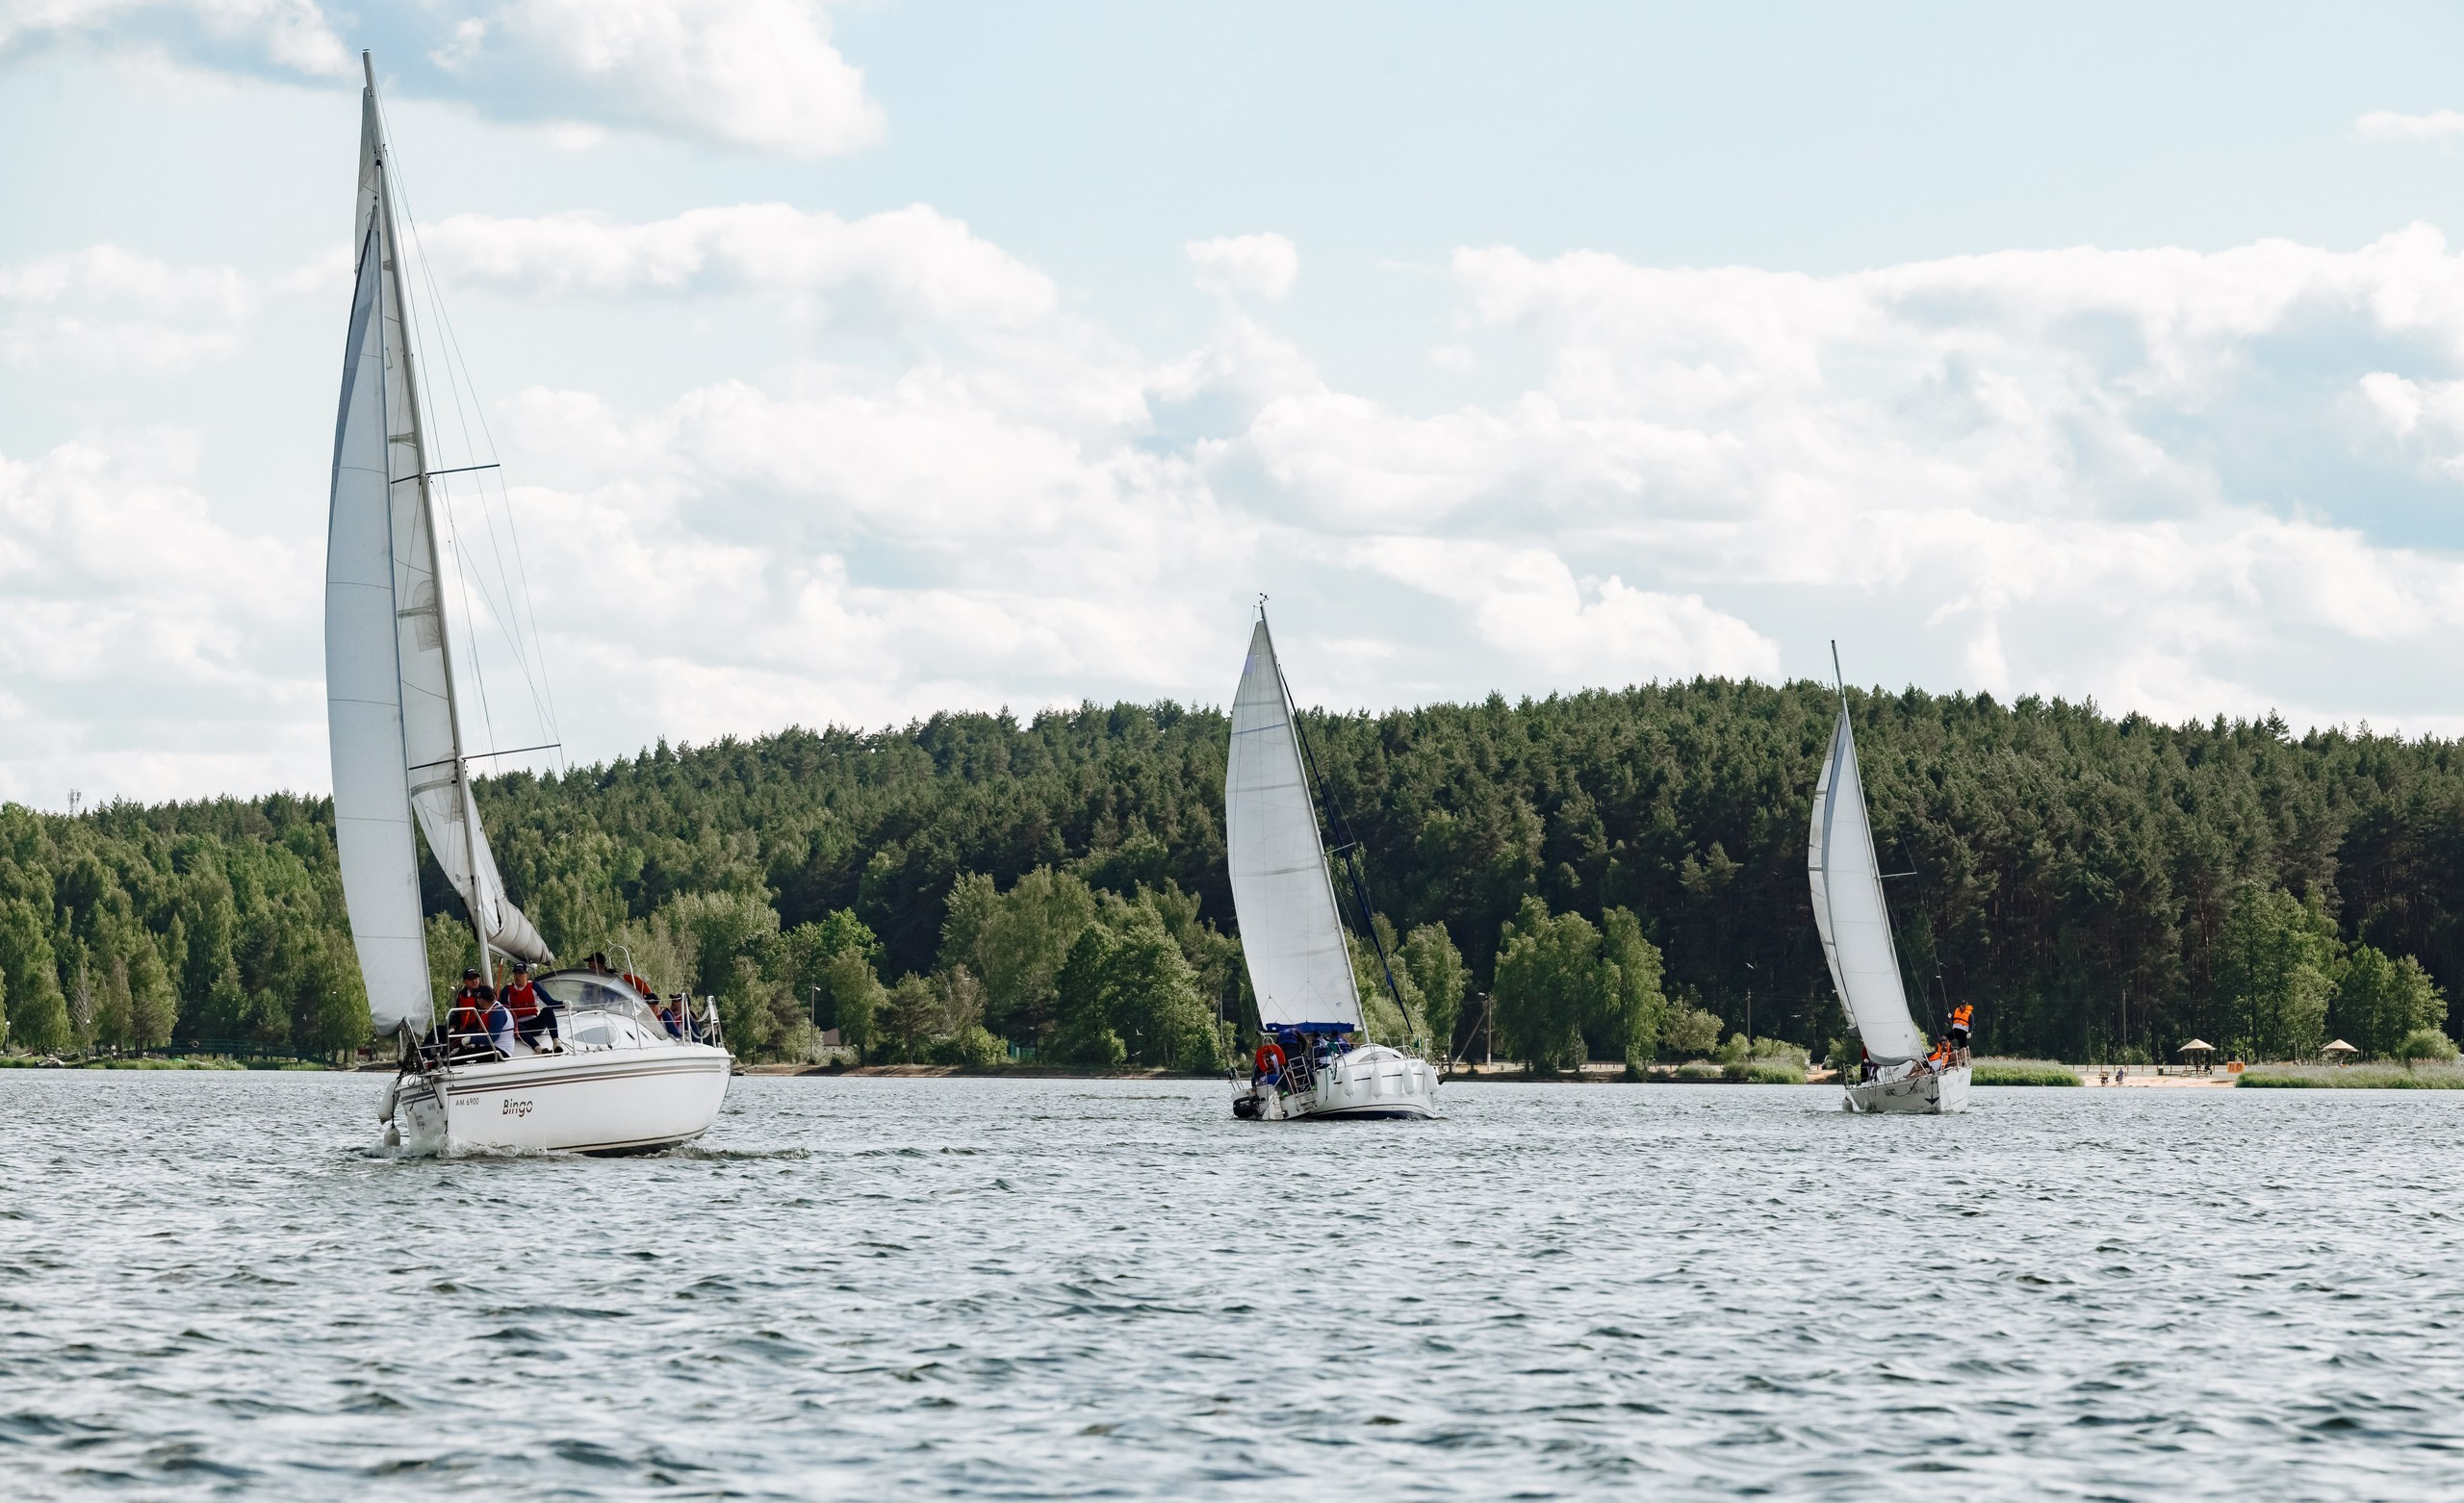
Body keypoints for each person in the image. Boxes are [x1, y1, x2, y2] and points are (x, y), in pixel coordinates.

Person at [501, 958, 559, 1052]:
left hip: (535, 1023)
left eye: (520, 973)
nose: (517, 976)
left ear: (527, 975)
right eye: (516, 973)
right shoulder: (507, 990)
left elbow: (549, 1002)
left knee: (548, 1010)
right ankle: (538, 1048)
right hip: (519, 1025)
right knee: (517, 1026)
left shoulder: (534, 986)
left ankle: (556, 1042)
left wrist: (563, 1004)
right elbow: (502, 1011)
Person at [443, 968, 489, 1057]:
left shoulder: (484, 993)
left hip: (477, 1027)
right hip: (463, 1026)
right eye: (471, 979)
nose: (475, 981)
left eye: (476, 978)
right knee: (438, 1031)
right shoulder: (462, 995)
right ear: (465, 982)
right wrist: (452, 1026)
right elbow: (457, 1012)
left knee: (452, 1037)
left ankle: (444, 1057)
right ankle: (425, 1055)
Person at [481, 985, 514, 1058]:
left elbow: (492, 1037)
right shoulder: (492, 1010)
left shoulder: (498, 1012)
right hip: (493, 1048)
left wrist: (470, 1039)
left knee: (458, 1059)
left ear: (482, 1000)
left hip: (501, 1051)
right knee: (462, 1053)